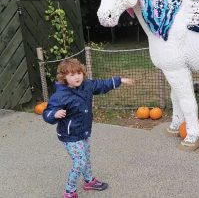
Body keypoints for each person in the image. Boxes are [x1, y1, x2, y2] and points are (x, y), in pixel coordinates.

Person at [42, 58, 134, 198]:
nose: (77, 76)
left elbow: (102, 84)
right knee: (80, 161)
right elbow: (47, 113)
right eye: (72, 75)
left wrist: (119, 80)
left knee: (86, 157)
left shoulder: (87, 85)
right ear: (64, 77)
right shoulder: (60, 95)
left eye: (78, 73)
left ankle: (89, 181)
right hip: (69, 136)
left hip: (84, 131)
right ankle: (69, 191)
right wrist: (54, 114)